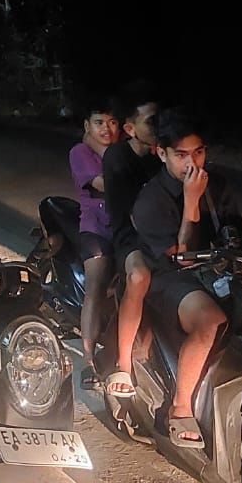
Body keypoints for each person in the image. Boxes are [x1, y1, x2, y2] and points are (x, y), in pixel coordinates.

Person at [130, 109, 242, 447]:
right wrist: (191, 201)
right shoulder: (151, 199)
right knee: (211, 320)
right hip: (169, 277)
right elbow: (182, 255)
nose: (192, 163)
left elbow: (236, 235)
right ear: (161, 153)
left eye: (199, 152)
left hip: (216, 270)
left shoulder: (218, 185)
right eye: (181, 155)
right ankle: (180, 407)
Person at [101, 98, 161, 400]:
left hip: (164, 232)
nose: (158, 127)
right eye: (151, 121)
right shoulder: (117, 157)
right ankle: (122, 361)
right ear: (130, 128)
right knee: (139, 276)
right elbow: (135, 215)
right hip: (131, 235)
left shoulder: (161, 155)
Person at [67, 102, 120, 388]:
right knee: (95, 289)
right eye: (99, 122)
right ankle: (88, 360)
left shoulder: (122, 150)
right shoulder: (80, 152)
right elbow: (103, 183)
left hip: (125, 228)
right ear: (87, 125)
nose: (106, 129)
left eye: (112, 122)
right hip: (96, 228)